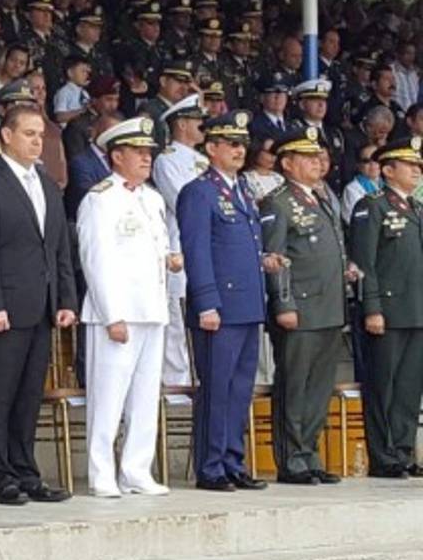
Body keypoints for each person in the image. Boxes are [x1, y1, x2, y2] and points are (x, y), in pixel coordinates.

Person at [0, 105, 76, 506]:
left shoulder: (46, 184)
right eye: (28, 133)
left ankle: (26, 471)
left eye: (40, 134)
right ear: (6, 136)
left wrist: (65, 298)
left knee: (29, 396)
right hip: (4, 308)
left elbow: (59, 248)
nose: (36, 141)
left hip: (40, 306)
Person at [78, 116, 174, 498]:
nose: (146, 158)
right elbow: (96, 259)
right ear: (117, 156)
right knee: (108, 397)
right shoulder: (100, 198)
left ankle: (136, 470)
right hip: (117, 312)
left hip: (151, 308)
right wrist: (111, 314)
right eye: (137, 151)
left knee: (145, 397)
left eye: (149, 152)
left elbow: (158, 249)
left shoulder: (152, 198)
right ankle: (101, 472)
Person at [176, 110, 269, 492]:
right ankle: (211, 466)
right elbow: (196, 251)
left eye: (242, 144)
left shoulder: (242, 189)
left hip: (246, 306)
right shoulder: (199, 192)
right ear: (211, 147)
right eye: (231, 143)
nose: (239, 150)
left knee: (239, 389)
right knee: (217, 389)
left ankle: (233, 460)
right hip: (220, 308)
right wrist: (206, 302)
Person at [259, 126, 348, 486]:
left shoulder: (321, 198)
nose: (316, 162)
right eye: (307, 157)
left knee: (319, 388)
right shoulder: (278, 202)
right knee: (294, 387)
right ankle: (292, 459)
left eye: (317, 156)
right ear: (287, 163)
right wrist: (283, 303)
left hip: (329, 307)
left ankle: (309, 453)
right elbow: (275, 256)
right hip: (301, 308)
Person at [350, 137, 423, 479]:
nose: (417, 171)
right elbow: (365, 262)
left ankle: (403, 451)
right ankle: (383, 455)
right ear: (388, 170)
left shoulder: (417, 208)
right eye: (410, 165)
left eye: (418, 165)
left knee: (409, 387)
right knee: (383, 386)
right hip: (388, 310)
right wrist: (372, 308)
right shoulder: (372, 206)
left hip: (416, 309)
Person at [152, 94, 207, 387]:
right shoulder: (167, 159)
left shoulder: (204, 160)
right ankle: (176, 382)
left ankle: (198, 377)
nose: (202, 126)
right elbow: (182, 201)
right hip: (180, 244)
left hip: (207, 244)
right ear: (182, 124)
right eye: (198, 121)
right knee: (176, 316)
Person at [341, 147, 383, 224]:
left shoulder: (386, 184)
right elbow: (353, 220)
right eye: (366, 161)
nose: (373, 164)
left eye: (376, 159)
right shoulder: (352, 189)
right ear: (359, 165)